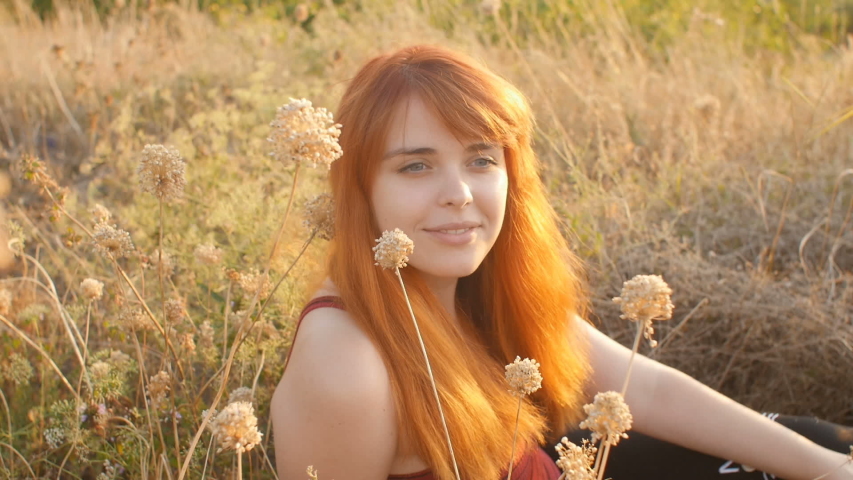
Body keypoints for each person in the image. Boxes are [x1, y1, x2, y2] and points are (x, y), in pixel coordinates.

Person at [270, 45, 853, 480]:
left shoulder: (474, 284)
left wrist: (827, 468)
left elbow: (641, 391)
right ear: (361, 189)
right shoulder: (346, 361)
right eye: (416, 166)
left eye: (480, 159)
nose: (460, 193)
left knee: (811, 445)